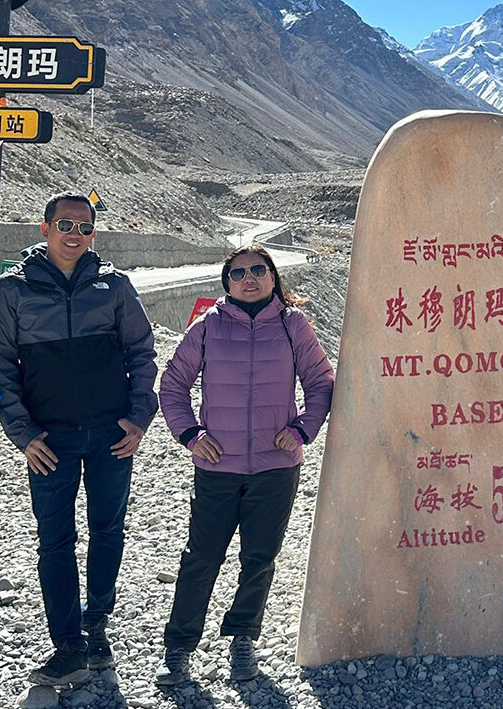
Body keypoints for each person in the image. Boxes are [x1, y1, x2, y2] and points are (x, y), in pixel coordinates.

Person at [0, 192, 157, 686]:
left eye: (84, 227)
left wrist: (139, 417)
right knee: (55, 542)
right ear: (44, 229)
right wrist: (22, 433)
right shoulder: (11, 291)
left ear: (93, 235)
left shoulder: (115, 287)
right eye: (65, 224)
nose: (74, 234)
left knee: (109, 532)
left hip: (112, 435)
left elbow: (142, 352)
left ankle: (96, 626)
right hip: (49, 440)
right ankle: (67, 646)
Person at [155, 244, 334, 685]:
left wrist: (301, 430)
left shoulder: (294, 327)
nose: (249, 278)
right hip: (218, 466)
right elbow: (173, 384)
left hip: (276, 467)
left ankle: (243, 640)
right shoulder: (207, 327)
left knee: (259, 558)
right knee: (202, 557)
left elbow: (321, 383)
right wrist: (191, 435)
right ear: (226, 282)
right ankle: (179, 647)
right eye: (238, 273)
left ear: (273, 277)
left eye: (258, 270)